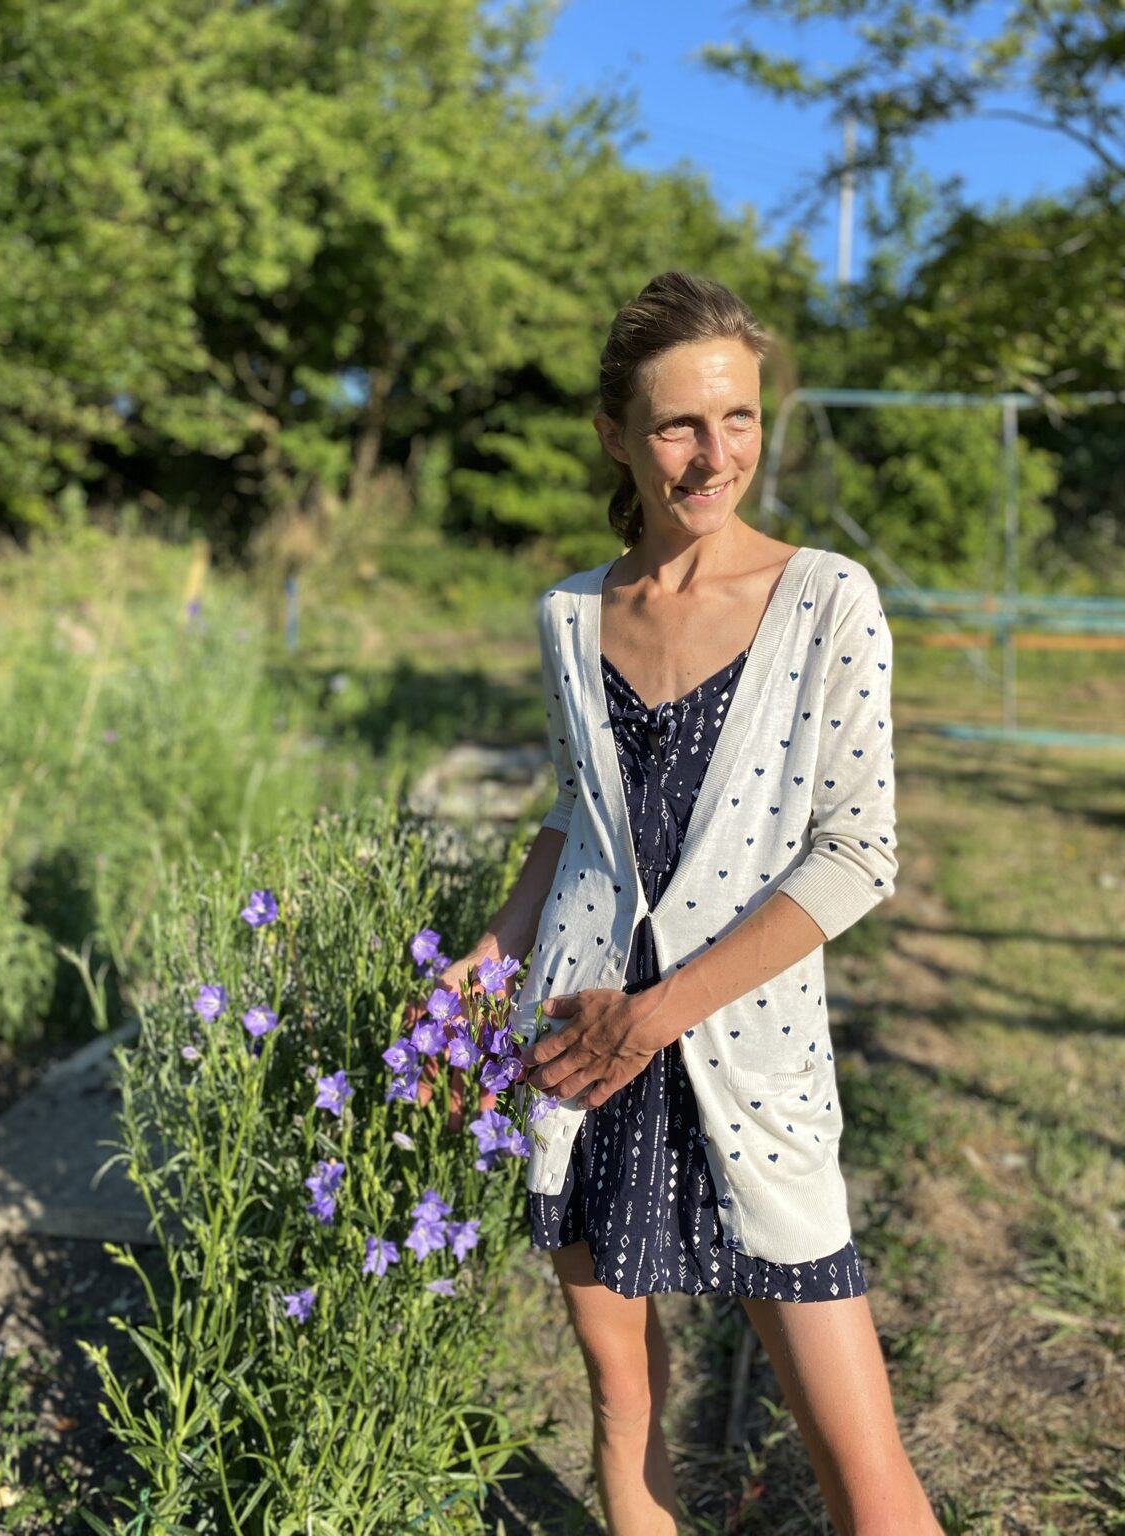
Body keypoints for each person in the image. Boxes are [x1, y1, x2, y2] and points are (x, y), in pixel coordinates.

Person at [440, 272, 943, 1536]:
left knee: (860, 1464)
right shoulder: (570, 614)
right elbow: (577, 817)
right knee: (624, 1401)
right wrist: (484, 963)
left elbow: (858, 854)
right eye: (678, 425)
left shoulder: (826, 599)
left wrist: (657, 1015)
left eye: (740, 418)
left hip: (745, 1058)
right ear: (617, 436)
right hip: (578, 1044)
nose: (716, 456)